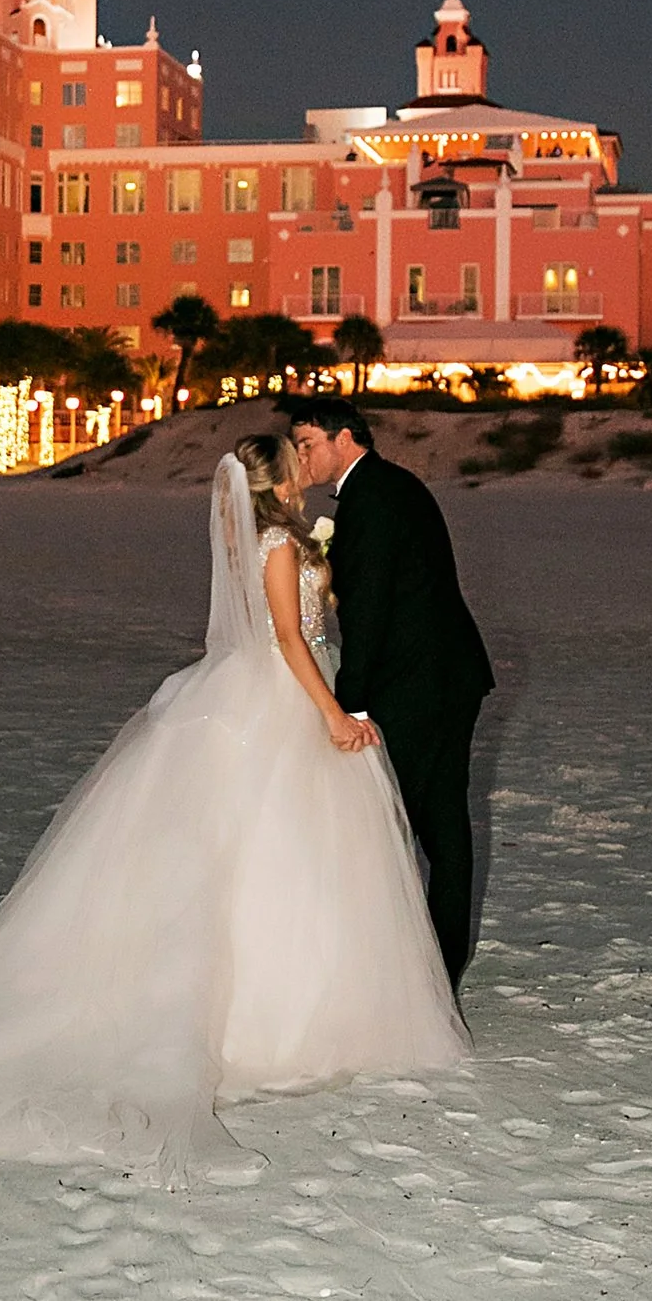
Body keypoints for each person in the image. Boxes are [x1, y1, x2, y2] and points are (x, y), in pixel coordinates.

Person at [0, 427, 469, 1178]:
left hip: (247, 693)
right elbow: (291, 640)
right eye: (294, 466)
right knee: (292, 855)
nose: (303, 471)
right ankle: (288, 1025)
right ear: (276, 484)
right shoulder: (282, 547)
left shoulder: (253, 541)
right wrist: (332, 713)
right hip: (285, 700)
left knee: (263, 855)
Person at [281, 398, 493, 984]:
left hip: (418, 683)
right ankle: (438, 964)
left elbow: (369, 611)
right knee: (441, 821)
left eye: (307, 444)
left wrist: (349, 703)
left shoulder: (371, 497)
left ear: (343, 438)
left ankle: (429, 968)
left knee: (415, 823)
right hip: (444, 674)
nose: (302, 457)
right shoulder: (386, 487)